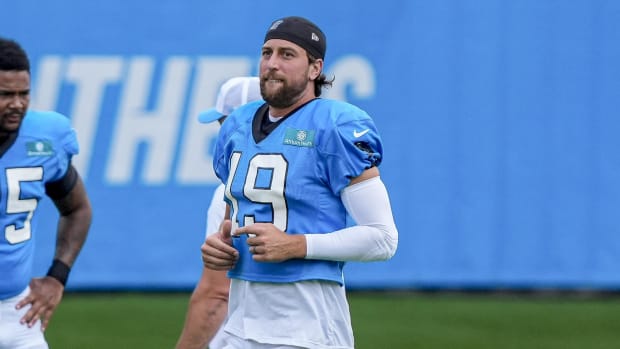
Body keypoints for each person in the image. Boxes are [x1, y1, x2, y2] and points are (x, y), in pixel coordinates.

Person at [201, 16, 398, 349]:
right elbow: (231, 218)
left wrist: (296, 245)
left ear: (314, 68)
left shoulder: (335, 126)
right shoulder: (236, 125)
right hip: (240, 321)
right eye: (267, 53)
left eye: (287, 54)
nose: (272, 64)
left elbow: (382, 238)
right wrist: (219, 246)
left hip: (306, 327)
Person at [0, 37, 92, 349]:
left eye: (23, 94)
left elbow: (77, 208)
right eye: (5, 95)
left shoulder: (44, 137)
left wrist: (57, 276)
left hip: (18, 312)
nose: (17, 104)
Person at [176, 76, 262, 349]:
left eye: (224, 122)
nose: (221, 132)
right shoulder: (306, 180)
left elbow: (217, 294)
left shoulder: (231, 191)